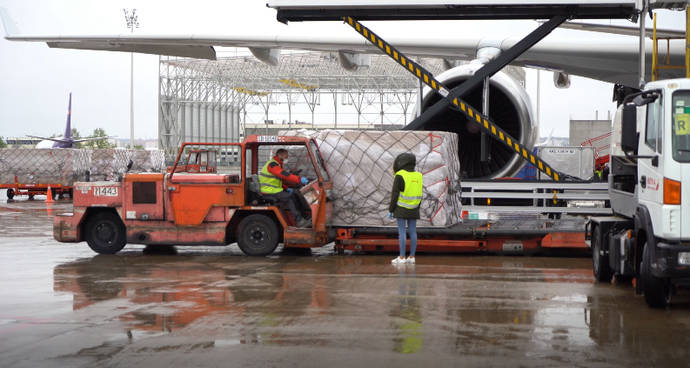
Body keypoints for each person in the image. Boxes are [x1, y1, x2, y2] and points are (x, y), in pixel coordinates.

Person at [259, 148, 311, 228]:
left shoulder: (277, 164)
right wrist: (299, 179)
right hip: (268, 191)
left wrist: (286, 188)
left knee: (295, 194)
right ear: (280, 155)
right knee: (288, 197)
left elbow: (277, 181)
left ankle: (305, 216)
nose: (287, 158)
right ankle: (299, 221)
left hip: (274, 190)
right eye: (286, 156)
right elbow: (284, 175)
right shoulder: (272, 165)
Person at [389, 153, 423, 265]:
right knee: (413, 232)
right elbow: (420, 193)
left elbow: (395, 194)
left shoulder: (400, 175)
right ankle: (412, 257)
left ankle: (402, 257)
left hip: (401, 208)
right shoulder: (419, 175)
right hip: (414, 208)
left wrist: (391, 209)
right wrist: (417, 206)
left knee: (402, 232)